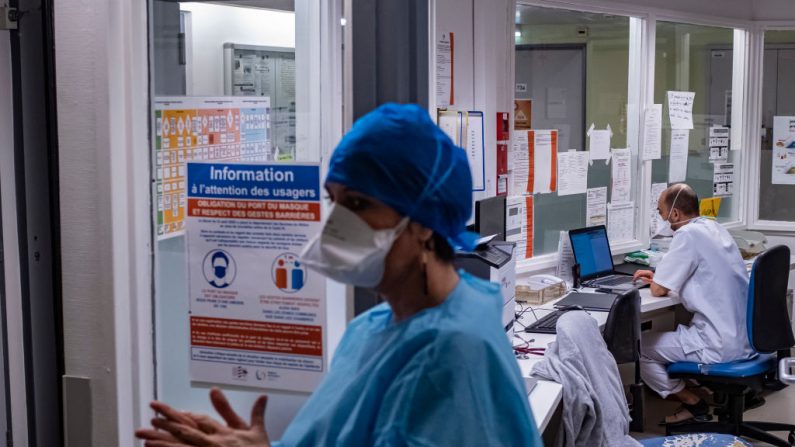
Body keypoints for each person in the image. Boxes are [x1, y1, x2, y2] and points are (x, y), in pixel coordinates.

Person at [136, 103, 543, 446]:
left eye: (359, 203)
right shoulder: (374, 328)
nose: (337, 223)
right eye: (335, 202)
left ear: (424, 221)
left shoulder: (451, 355)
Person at [633, 183, 753, 425]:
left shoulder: (687, 235)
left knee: (639, 348)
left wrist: (657, 281)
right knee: (664, 337)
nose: (662, 218)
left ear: (675, 214)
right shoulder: (714, 228)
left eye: (660, 212)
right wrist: (661, 278)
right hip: (744, 338)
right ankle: (700, 393)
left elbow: (658, 290)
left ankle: (692, 401)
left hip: (717, 342)